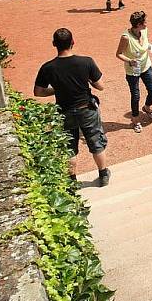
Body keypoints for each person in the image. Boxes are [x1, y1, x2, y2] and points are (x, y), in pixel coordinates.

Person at [34, 28, 110, 186]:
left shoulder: (48, 67)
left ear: (54, 44)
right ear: (73, 42)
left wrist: (56, 89)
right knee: (96, 141)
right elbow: (100, 86)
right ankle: (103, 174)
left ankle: (72, 180)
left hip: (64, 110)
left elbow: (38, 92)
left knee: (69, 147)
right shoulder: (86, 62)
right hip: (86, 108)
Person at [116, 11, 152, 133]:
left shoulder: (144, 31)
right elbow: (118, 54)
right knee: (135, 96)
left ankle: (147, 107)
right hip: (132, 71)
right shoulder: (126, 37)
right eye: (145, 22)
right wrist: (130, 61)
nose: (146, 24)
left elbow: (145, 44)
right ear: (138, 24)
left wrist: (151, 47)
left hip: (146, 66)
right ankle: (135, 120)